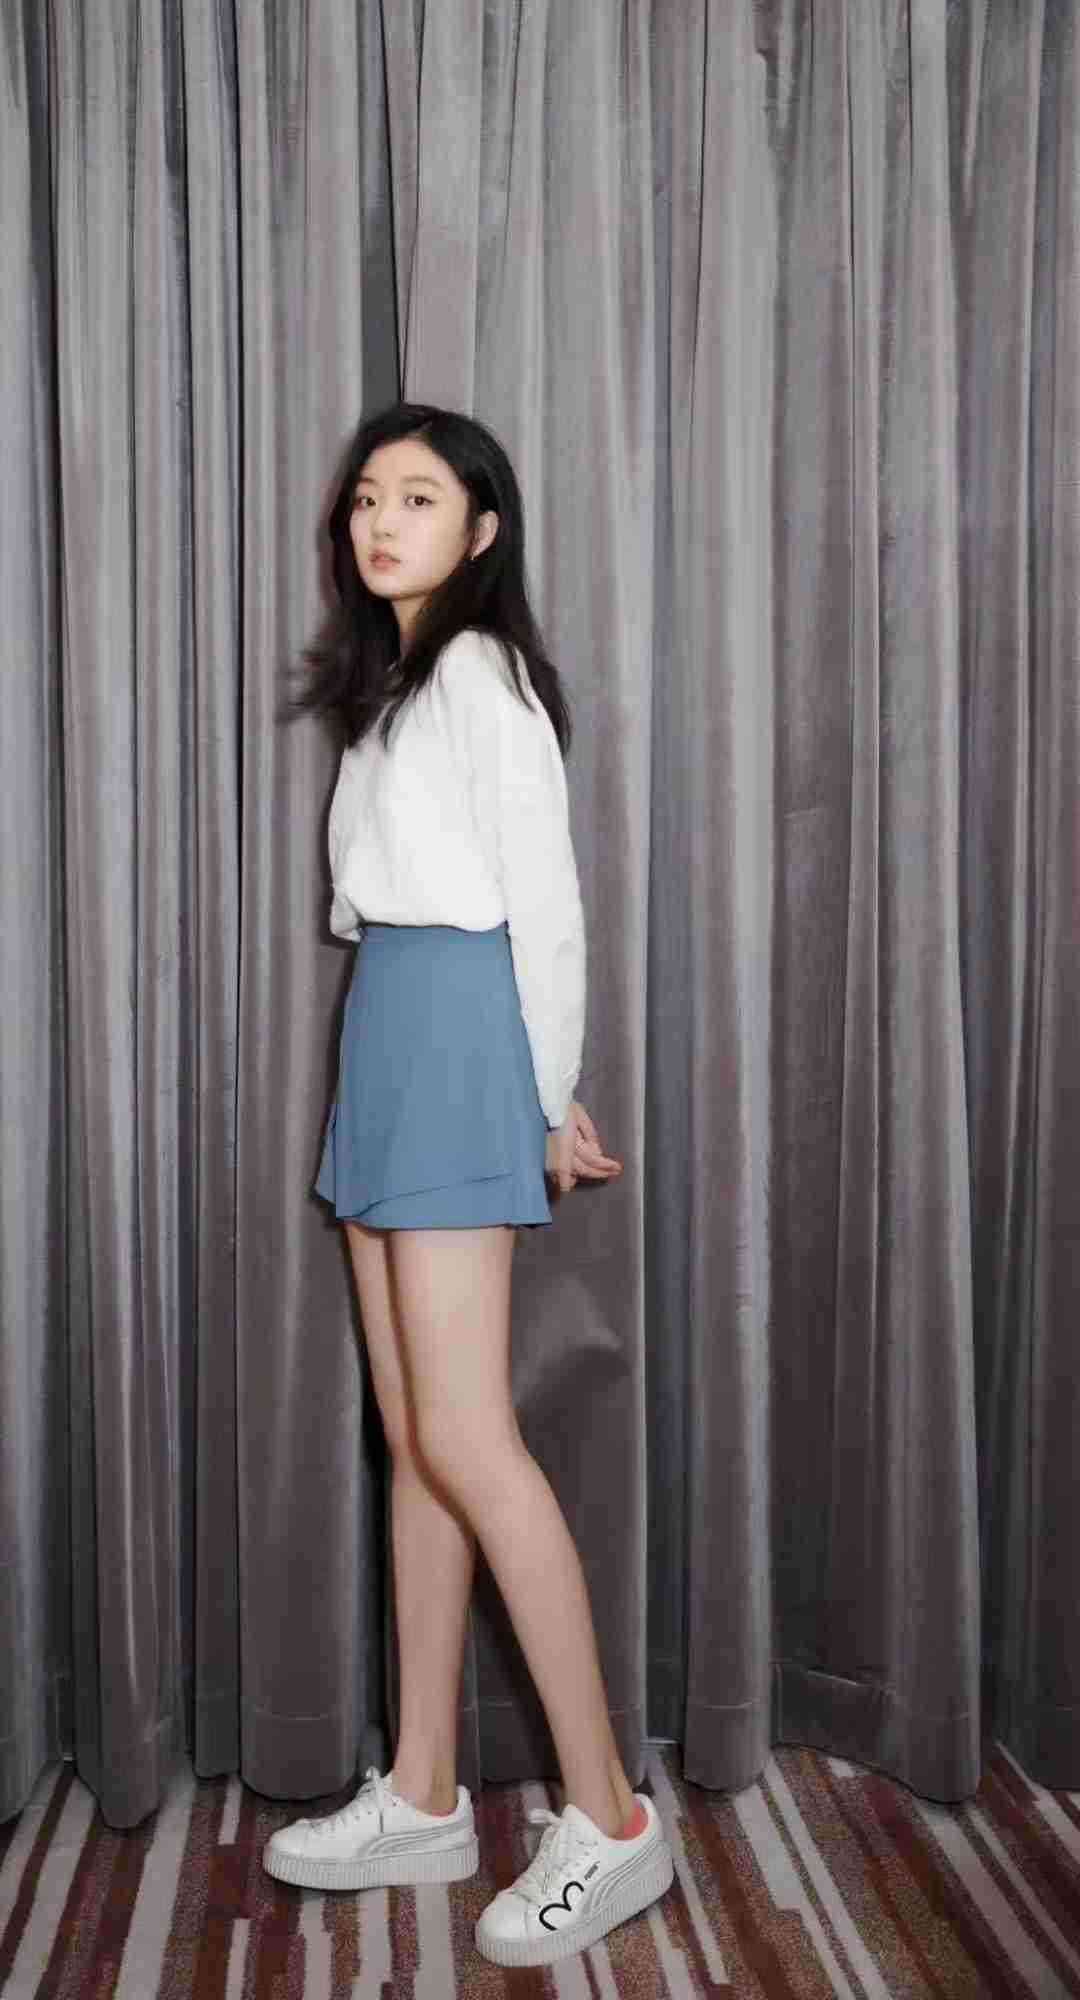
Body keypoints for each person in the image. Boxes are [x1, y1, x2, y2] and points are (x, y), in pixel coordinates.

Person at [263, 401, 673, 1969]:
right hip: (391, 1023)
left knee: (470, 1438)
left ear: (482, 529)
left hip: (447, 1034)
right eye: (368, 497)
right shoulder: (400, 683)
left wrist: (539, 1085)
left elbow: (544, 904)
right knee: (415, 1439)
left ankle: (612, 1818)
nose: (382, 522)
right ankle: (425, 1792)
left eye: (420, 498)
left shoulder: (487, 677)